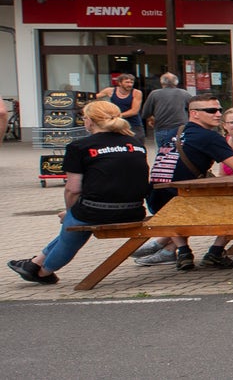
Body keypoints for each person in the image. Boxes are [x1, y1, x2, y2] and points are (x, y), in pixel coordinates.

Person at [8, 101, 149, 285]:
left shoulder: (79, 146)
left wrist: (70, 212)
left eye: (84, 117)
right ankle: (35, 262)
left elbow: (73, 189)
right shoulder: (135, 143)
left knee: (73, 223)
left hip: (97, 210)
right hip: (134, 210)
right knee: (76, 220)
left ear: (90, 121)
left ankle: (43, 272)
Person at [132, 93, 233, 271]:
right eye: (211, 110)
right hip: (184, 202)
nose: (218, 114)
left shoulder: (174, 132)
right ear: (194, 113)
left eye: (219, 109)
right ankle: (215, 252)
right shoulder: (209, 137)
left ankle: (182, 251)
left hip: (156, 200)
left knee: (180, 198)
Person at [140, 72, 191, 151]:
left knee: (163, 154)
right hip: (181, 128)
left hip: (162, 127)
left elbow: (145, 113)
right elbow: (193, 109)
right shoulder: (184, 93)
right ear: (176, 82)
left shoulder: (154, 94)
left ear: (161, 82)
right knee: (182, 152)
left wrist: (151, 119)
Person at [96, 73, 144, 142]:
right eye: (127, 82)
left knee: (137, 143)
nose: (130, 84)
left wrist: (116, 116)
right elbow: (94, 98)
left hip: (133, 124)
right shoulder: (110, 91)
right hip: (116, 124)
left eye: (131, 82)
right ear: (120, 83)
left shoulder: (136, 93)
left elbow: (134, 111)